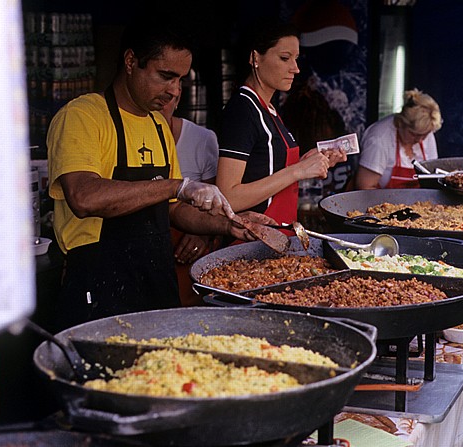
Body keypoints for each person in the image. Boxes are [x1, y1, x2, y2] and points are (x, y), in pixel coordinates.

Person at [47, 13, 274, 331]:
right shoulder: (82, 116)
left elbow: (175, 210)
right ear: (130, 61)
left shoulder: (157, 124)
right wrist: (176, 186)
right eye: (165, 76)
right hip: (98, 292)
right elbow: (84, 196)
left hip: (155, 286)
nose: (174, 90)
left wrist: (230, 222)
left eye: (180, 79)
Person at [216, 18, 346, 226]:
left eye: (296, 59)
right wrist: (297, 171)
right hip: (250, 241)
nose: (295, 69)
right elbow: (228, 196)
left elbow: (264, 170)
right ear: (255, 57)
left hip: (276, 233)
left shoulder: (268, 108)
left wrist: (307, 163)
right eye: (285, 58)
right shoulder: (242, 110)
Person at [160, 89, 220, 306]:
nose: (159, 106)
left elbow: (216, 203)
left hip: (186, 248)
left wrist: (203, 235)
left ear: (177, 99)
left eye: (167, 99)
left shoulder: (202, 139)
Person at [355, 89, 442, 189]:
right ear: (401, 123)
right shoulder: (378, 139)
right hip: (381, 202)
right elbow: (365, 187)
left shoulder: (424, 130)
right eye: (414, 134)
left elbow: (431, 177)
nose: (420, 140)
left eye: (425, 135)